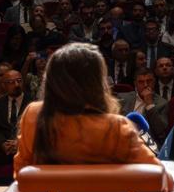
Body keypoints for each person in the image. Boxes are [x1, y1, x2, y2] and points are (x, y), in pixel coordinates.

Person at [12, 42, 158, 172]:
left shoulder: (33, 115)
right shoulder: (118, 126)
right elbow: (158, 176)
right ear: (98, 83)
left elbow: (20, 172)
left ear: (52, 81)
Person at [117, 69, 172, 140]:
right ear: (135, 84)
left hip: (147, 144)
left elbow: (161, 132)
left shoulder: (162, 103)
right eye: (141, 82)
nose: (145, 85)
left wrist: (150, 104)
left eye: (149, 81)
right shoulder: (123, 98)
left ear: (154, 82)